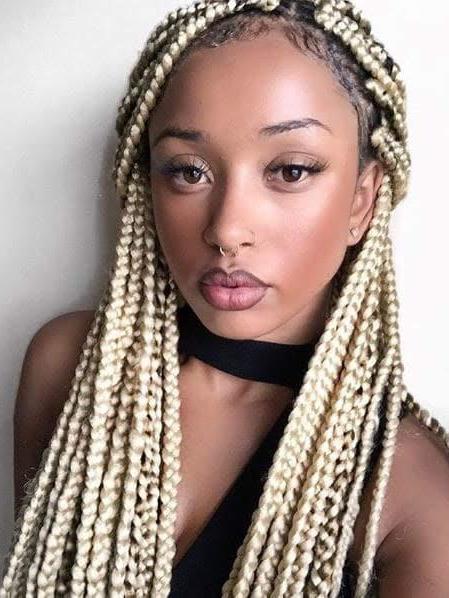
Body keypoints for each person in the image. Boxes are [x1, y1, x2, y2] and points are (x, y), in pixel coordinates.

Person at [3, 0, 449, 596]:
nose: (227, 229)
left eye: (291, 170)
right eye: (188, 171)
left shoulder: (415, 493)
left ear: (362, 200)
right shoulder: (71, 367)